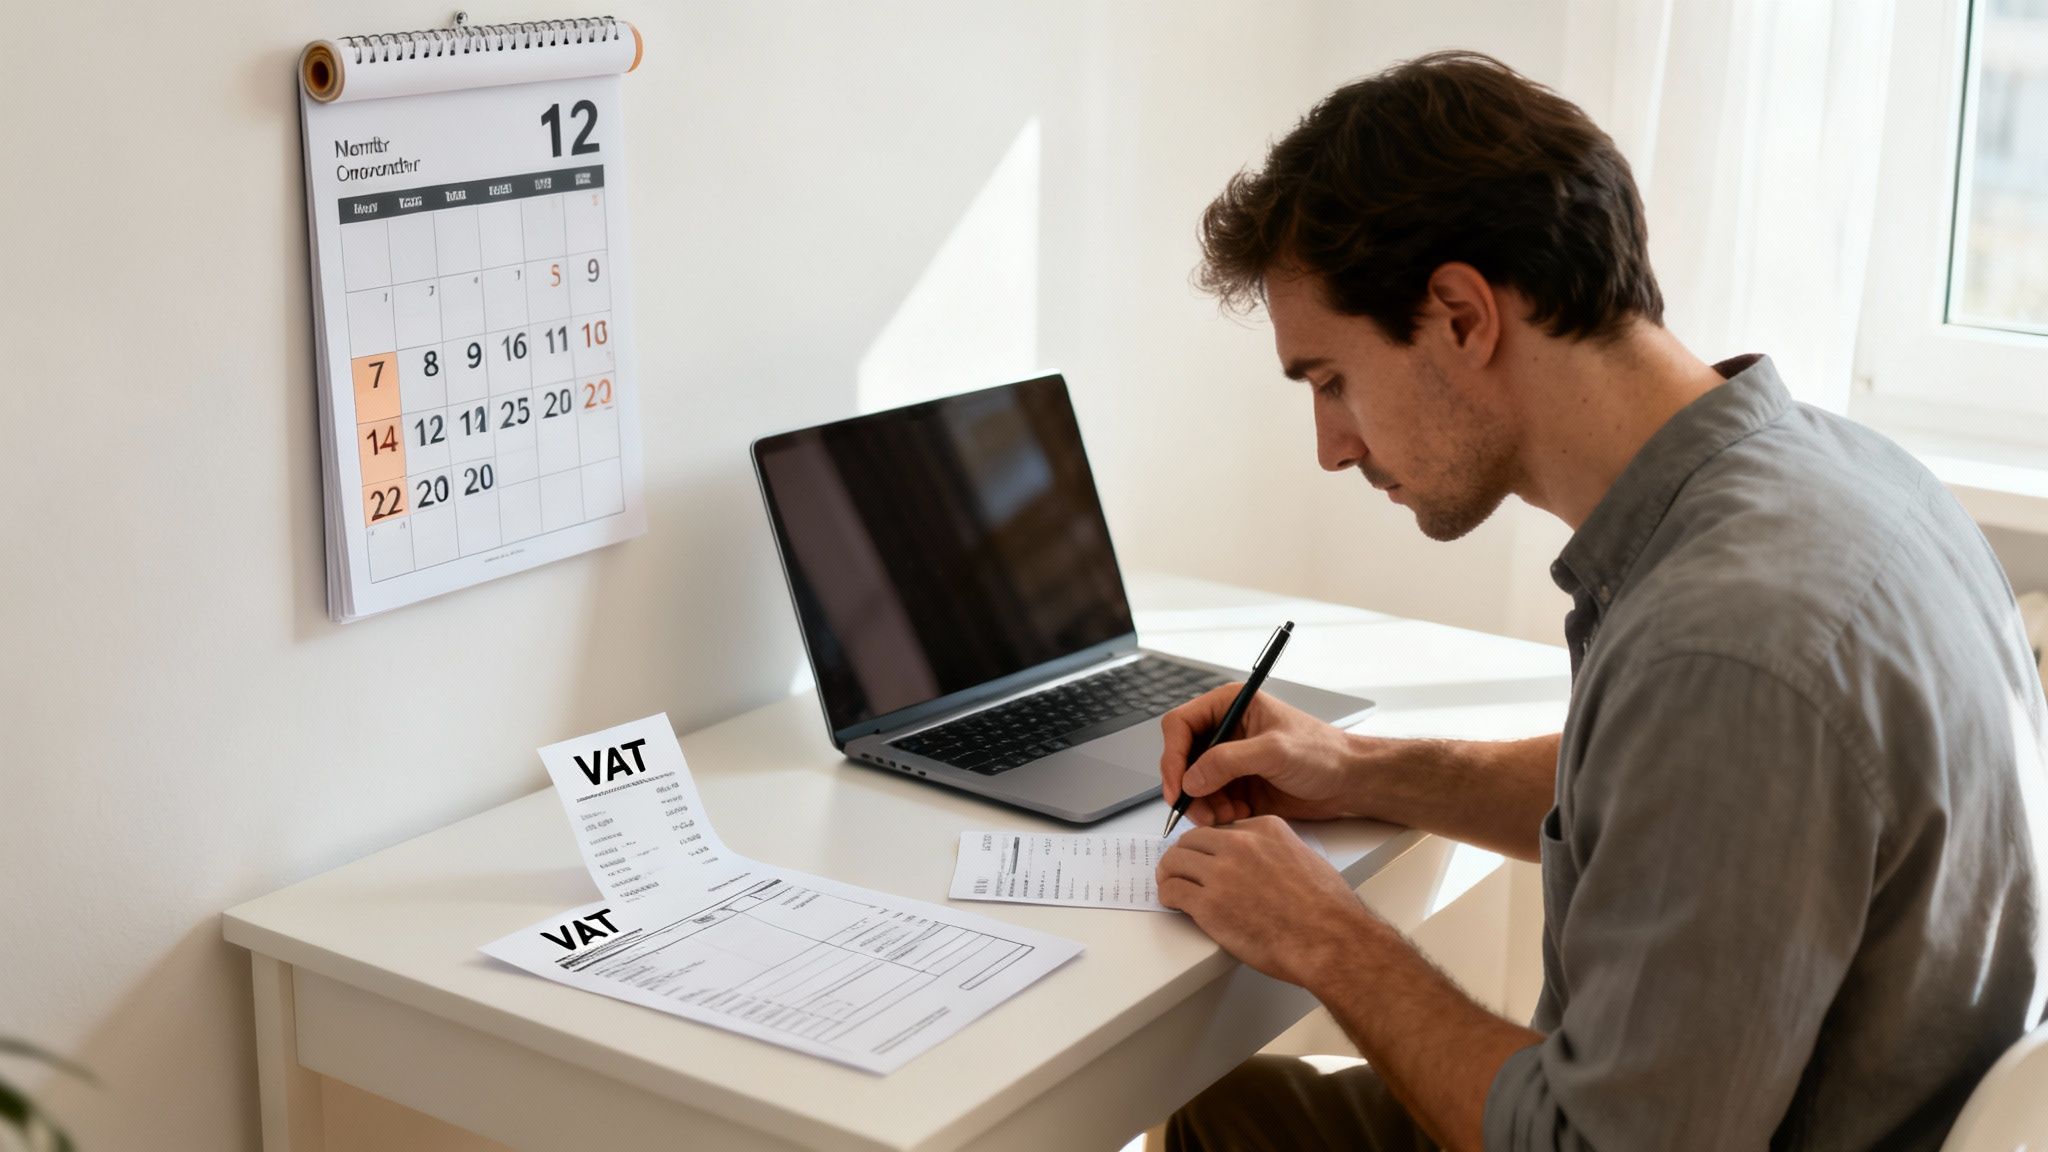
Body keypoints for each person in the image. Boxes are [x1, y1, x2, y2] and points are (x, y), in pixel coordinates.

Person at [1155, 50, 2047, 1152]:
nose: (1332, 447)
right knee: (1238, 1114)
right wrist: (1359, 772)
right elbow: (1669, 795)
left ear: (1459, 315)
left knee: (1231, 1121)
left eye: (1331, 379)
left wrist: (1327, 936)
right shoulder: (1845, 478)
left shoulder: (1726, 648)